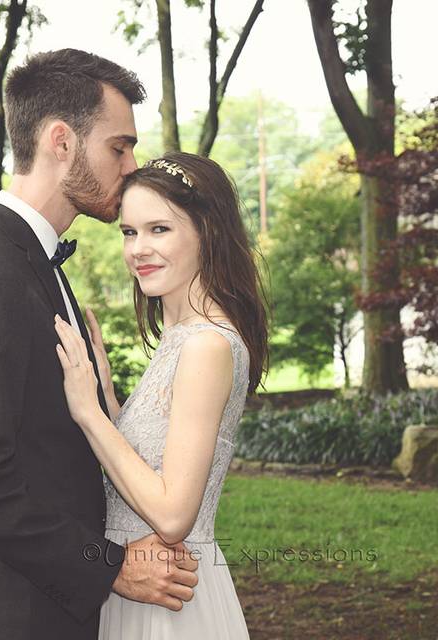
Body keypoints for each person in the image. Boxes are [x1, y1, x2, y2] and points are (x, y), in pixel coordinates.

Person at [0, 49, 199, 640]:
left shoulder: (37, 263)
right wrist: (112, 567)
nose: (131, 165)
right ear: (61, 141)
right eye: (119, 146)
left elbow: (51, 451)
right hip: (5, 617)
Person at [54, 151, 268, 639]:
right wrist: (107, 396)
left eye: (159, 229)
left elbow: (173, 514)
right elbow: (145, 465)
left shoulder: (207, 345)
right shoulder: (180, 339)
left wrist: (90, 414)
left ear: (206, 232)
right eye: (129, 232)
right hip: (141, 587)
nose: (138, 249)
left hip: (169, 604)